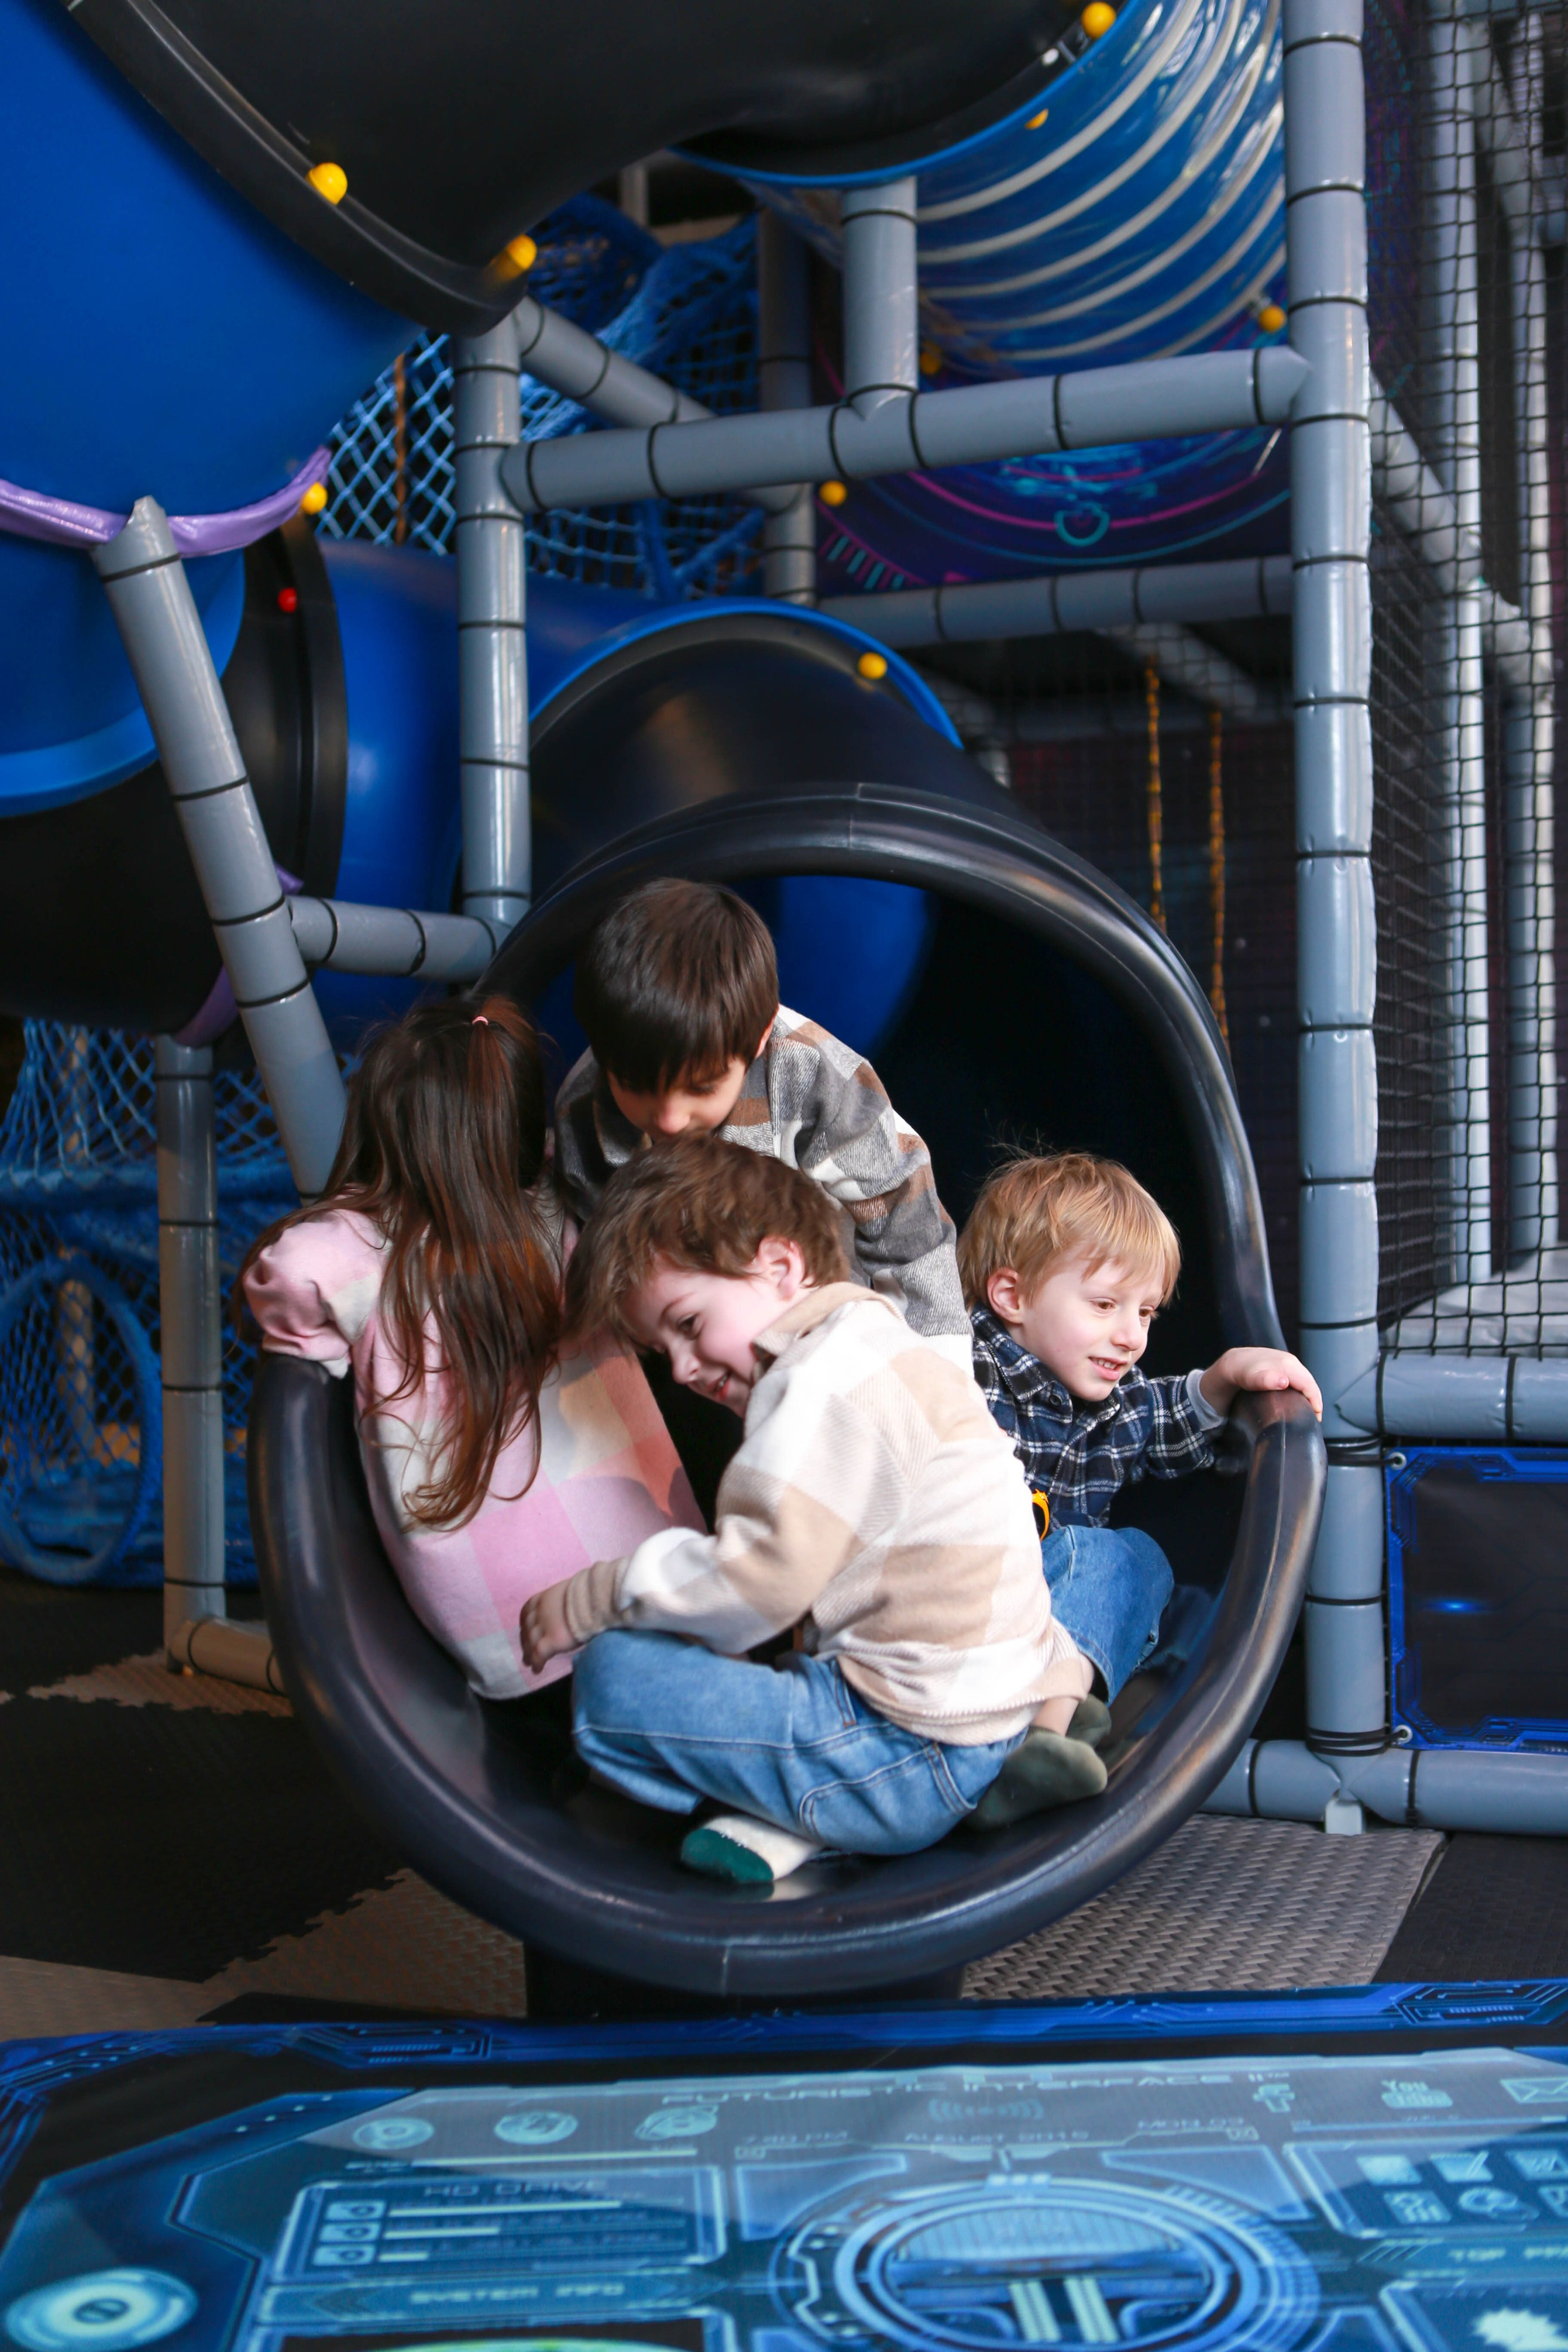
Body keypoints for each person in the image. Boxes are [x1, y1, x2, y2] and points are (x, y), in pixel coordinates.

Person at [519, 1135, 1103, 1886]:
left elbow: (760, 1581)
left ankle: (801, 1817)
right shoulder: (877, 1338)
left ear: (780, 1267)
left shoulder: (816, 1381)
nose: (685, 1369)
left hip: (908, 1756)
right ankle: (842, 1803)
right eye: (663, 1352)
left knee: (611, 1681)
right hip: (997, 1707)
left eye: (689, 1324)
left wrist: (592, 1598)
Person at [240, 997, 702, 1708]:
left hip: (509, 1637)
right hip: (669, 1585)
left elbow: (286, 1275)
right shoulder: (562, 1210)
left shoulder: (362, 1253)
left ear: (382, 1131)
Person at [958, 1150, 1321, 1824]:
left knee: (1147, 1567)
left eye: (1146, 1312)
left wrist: (1228, 1374)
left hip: (1046, 1625)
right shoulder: (958, 1367)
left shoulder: (1112, 1400)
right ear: (1011, 1297)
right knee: (1098, 1554)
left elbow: (1166, 1417)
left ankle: (1044, 1739)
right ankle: (1040, 1735)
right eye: (1104, 1305)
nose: (1130, 1337)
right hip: (960, 1607)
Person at [552, 876, 971, 1367]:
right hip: (687, 1321)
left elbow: (905, 1219)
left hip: (828, 1292)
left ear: (757, 1040)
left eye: (701, 1089)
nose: (669, 1118)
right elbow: (610, 1254)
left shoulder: (813, 1079)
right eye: (635, 1086)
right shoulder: (583, 1108)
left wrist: (938, 1364)